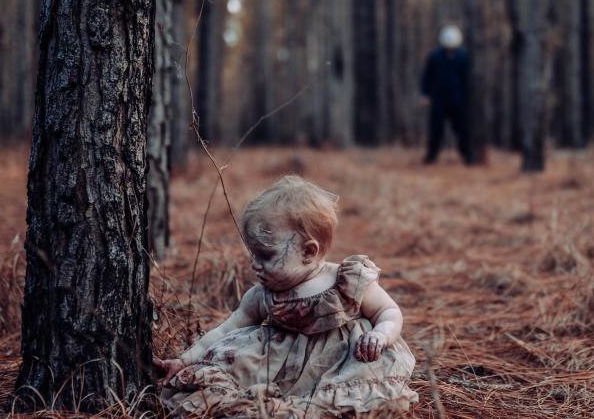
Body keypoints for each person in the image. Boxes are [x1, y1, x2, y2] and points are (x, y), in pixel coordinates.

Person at [155, 176, 418, 417]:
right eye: (253, 255)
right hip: (276, 367)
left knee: (350, 397)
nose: (255, 265)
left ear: (308, 252)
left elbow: (389, 311)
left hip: (338, 363)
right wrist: (184, 360)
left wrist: (380, 335)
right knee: (226, 370)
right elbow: (228, 329)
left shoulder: (347, 282)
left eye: (266, 256)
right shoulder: (262, 295)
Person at [420, 24, 471, 164]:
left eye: (452, 47)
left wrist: (468, 98)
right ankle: (431, 156)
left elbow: (468, 79)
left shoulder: (464, 56)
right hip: (439, 99)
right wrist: (425, 94)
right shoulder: (435, 56)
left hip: (458, 100)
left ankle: (467, 156)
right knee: (436, 129)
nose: (450, 49)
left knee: (461, 129)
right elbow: (427, 77)